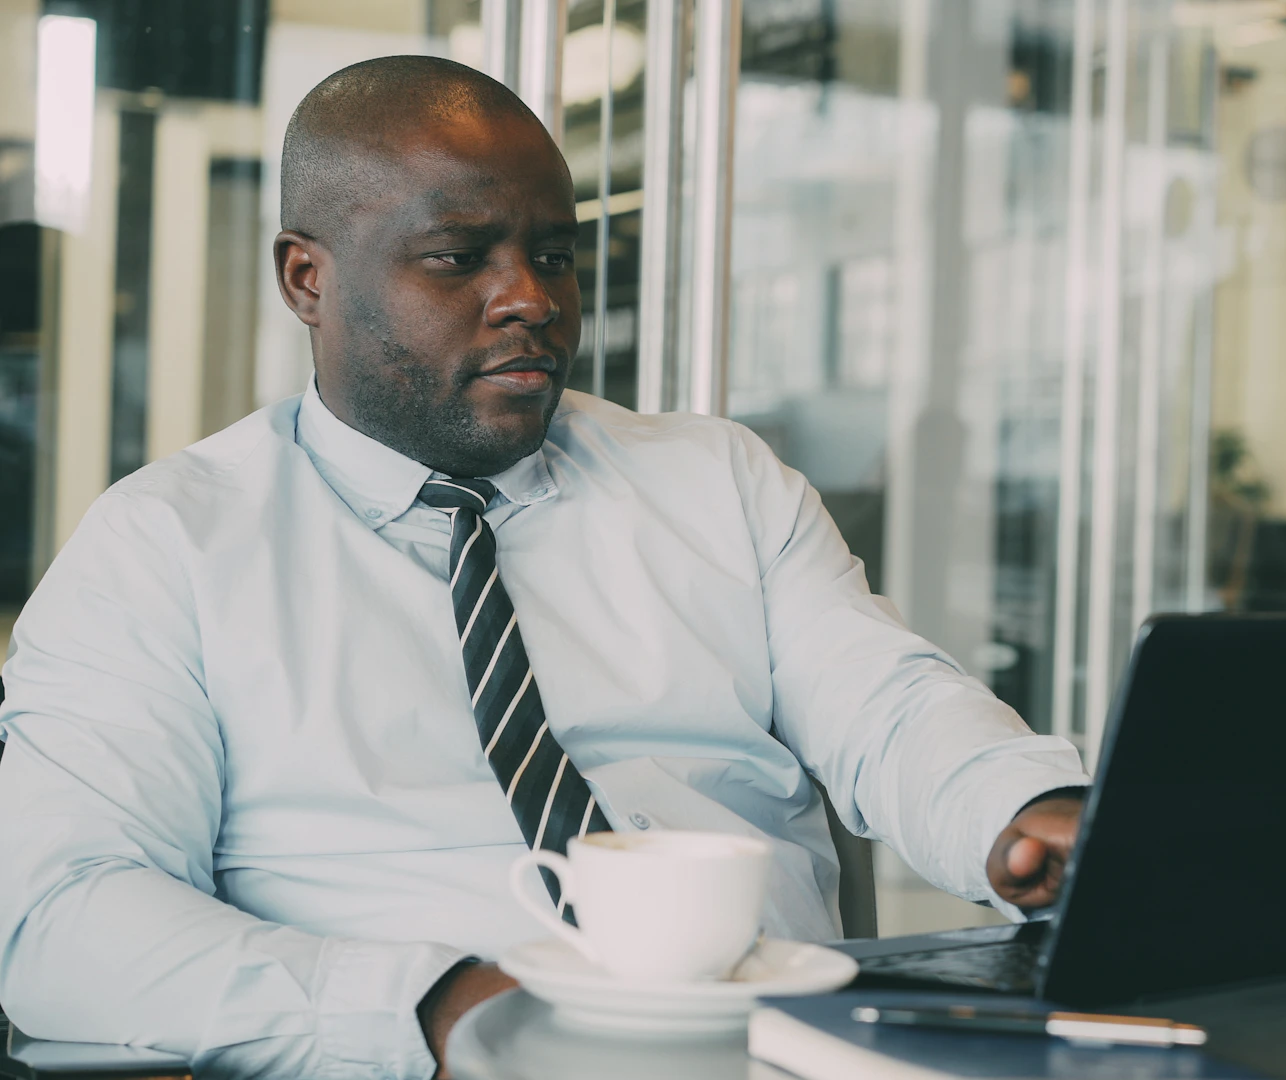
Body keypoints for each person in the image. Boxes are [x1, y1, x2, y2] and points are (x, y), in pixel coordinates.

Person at [0, 56, 1088, 1079]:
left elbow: (887, 705)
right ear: (306, 279)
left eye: (555, 254)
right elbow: (61, 920)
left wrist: (1016, 808)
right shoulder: (164, 549)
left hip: (766, 1051)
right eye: (458, 257)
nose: (530, 296)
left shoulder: (716, 482)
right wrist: (429, 1007)